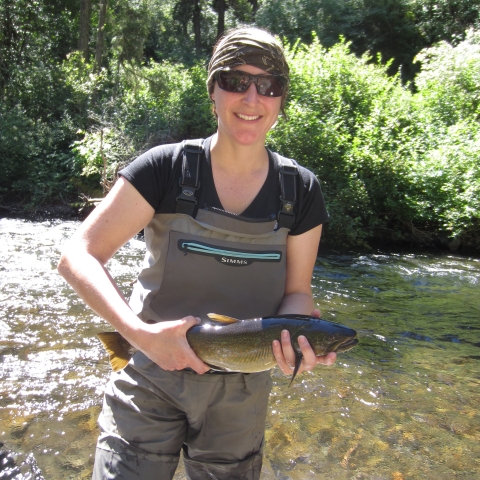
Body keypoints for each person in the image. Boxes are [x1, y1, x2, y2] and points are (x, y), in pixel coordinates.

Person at [58, 26, 336, 480]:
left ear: (281, 99)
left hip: (241, 396)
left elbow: (297, 294)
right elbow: (78, 255)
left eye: (268, 86)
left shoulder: (300, 191)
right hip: (148, 381)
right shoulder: (164, 168)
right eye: (235, 81)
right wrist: (138, 334)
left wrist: (298, 342)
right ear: (213, 90)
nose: (252, 98)